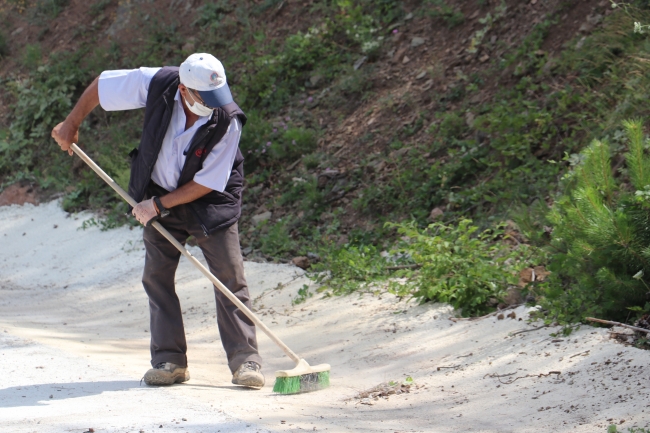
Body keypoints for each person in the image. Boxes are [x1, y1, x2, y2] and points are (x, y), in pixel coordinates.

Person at [51, 53, 264, 388]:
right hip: (158, 191)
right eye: (204, 98)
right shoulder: (159, 83)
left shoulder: (228, 120)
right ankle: (170, 361)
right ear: (184, 89)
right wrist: (71, 123)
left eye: (216, 97)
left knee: (229, 279)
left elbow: (208, 182)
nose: (212, 104)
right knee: (157, 276)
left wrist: (158, 206)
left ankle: (246, 362)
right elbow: (103, 86)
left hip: (210, 202)